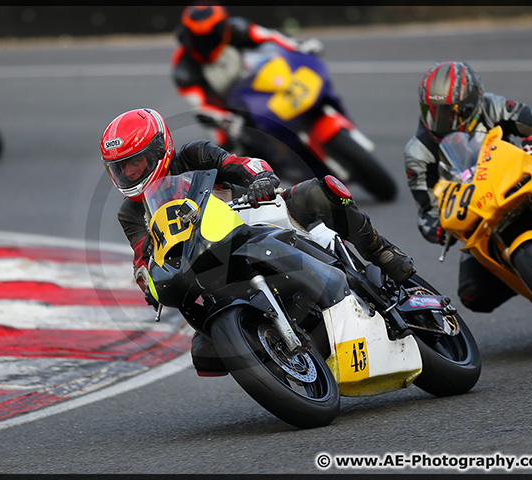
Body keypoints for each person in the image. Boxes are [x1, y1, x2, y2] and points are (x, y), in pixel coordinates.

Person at [101, 107, 414, 376]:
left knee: (320, 192)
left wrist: (259, 178)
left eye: (136, 162)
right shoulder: (130, 213)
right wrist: (148, 280)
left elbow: (238, 164)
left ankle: (382, 252)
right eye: (121, 168)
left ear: (158, 150)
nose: (129, 173)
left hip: (255, 221)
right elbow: (144, 255)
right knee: (204, 348)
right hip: (206, 266)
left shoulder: (195, 155)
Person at [404, 60, 532, 313]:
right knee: (473, 295)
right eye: (432, 110)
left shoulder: (492, 106)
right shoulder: (418, 152)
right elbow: (426, 213)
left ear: (472, 103)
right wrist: (438, 228)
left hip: (518, 182)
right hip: (479, 215)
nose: (439, 119)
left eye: (450, 111)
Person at [171, 3, 328, 151]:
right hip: (223, 107)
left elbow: (271, 37)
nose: (206, 43)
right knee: (226, 149)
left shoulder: (237, 29)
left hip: (247, 83)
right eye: (199, 38)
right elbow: (200, 104)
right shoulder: (183, 66)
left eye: (211, 35)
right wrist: (226, 119)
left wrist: (299, 46)